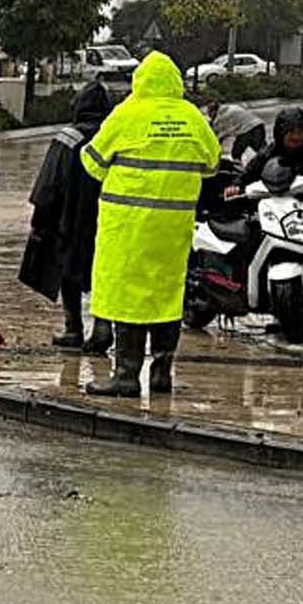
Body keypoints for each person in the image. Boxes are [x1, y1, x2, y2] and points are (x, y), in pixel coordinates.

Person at [78, 51, 221, 397]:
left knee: (127, 297)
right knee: (167, 297)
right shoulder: (191, 117)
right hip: (173, 228)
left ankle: (126, 375)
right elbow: (212, 163)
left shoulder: (128, 113)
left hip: (128, 226)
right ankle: (161, 375)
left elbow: (92, 160)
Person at [19, 77, 114, 353]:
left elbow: (49, 184)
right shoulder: (112, 136)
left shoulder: (67, 137)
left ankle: (73, 328)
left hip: (69, 219)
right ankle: (102, 327)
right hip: (107, 216)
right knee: (102, 272)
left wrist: (38, 222)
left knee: (67, 272)